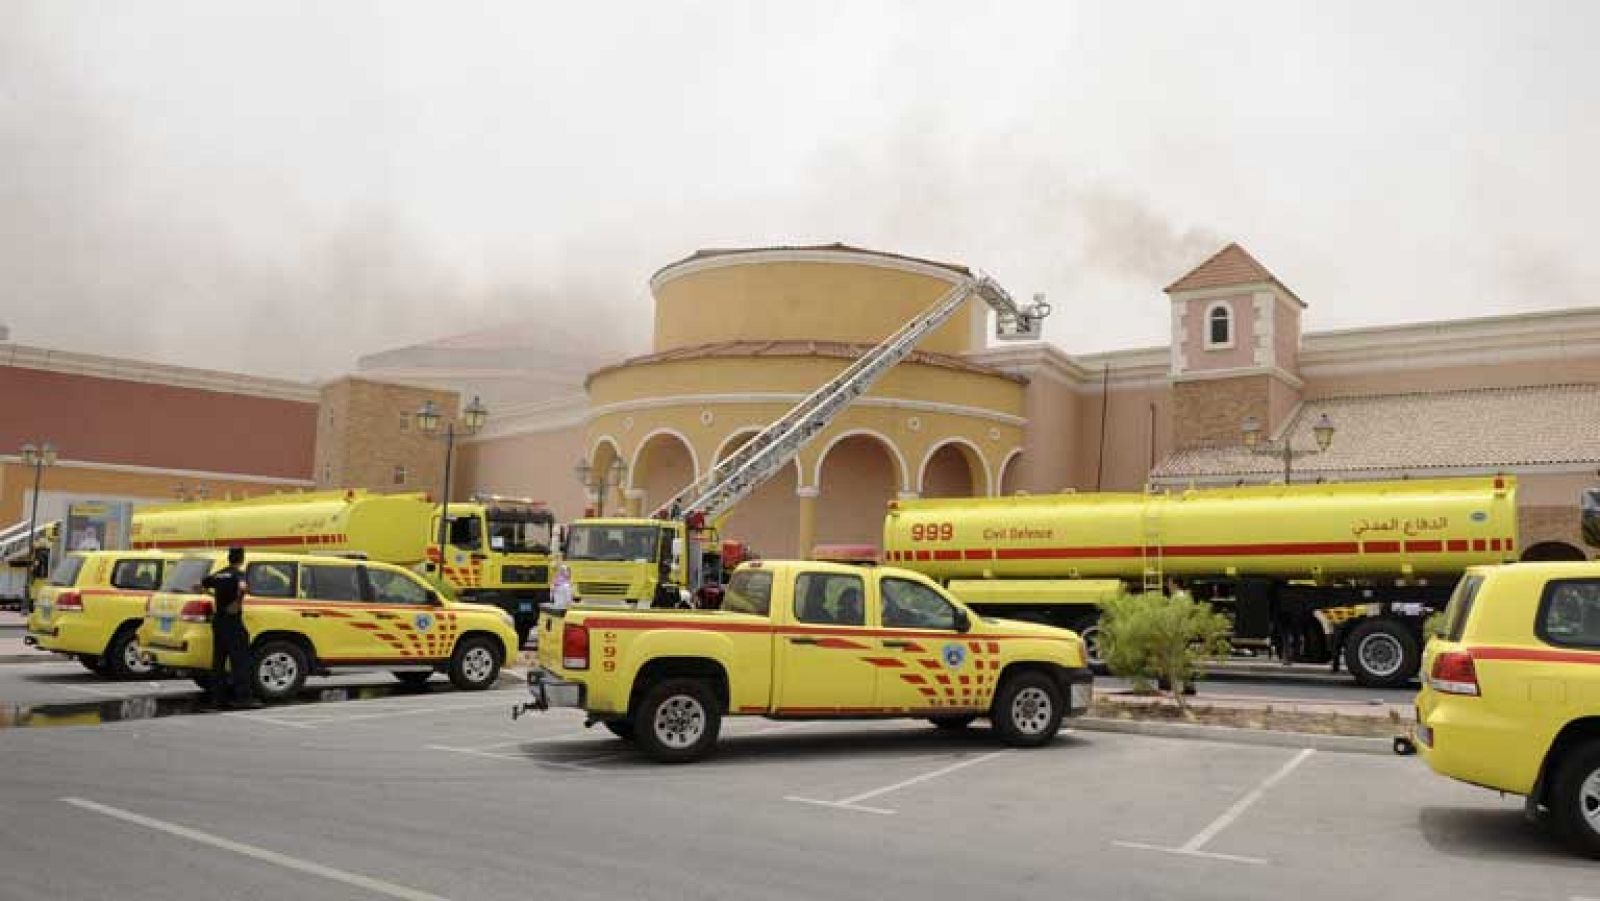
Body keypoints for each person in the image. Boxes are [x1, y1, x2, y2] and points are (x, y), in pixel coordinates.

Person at [202, 547, 260, 709]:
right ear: (241, 559)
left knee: (218, 661)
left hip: (218, 621)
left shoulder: (219, 574)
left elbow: (202, 583)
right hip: (233, 621)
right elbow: (243, 588)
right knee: (240, 660)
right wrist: (237, 602)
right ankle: (243, 698)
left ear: (228, 558)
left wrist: (213, 596)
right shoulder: (238, 574)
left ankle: (218, 699)